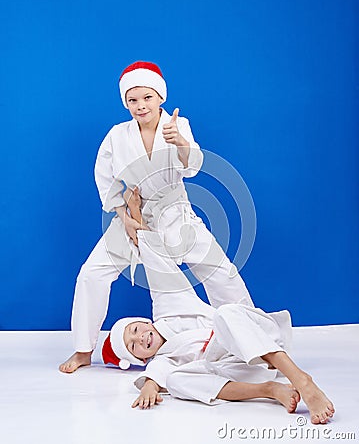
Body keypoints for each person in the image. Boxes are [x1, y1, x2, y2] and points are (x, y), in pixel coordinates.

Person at [60, 61, 254, 373]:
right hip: (134, 214)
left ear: (160, 97)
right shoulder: (117, 136)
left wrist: (181, 143)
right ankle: (83, 350)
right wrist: (124, 216)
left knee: (221, 272)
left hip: (175, 213)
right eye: (132, 100)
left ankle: (253, 341)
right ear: (126, 102)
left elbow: (191, 167)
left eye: (147, 98)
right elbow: (106, 178)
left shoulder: (178, 125)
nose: (140, 106)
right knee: (91, 274)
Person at [102, 189, 335, 425]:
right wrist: (149, 387)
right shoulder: (163, 359)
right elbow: (156, 375)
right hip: (241, 369)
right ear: (141, 360)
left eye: (134, 331)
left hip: (259, 340)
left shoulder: (168, 308)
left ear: (144, 322)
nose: (140, 339)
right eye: (134, 347)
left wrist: (136, 216)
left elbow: (157, 263)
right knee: (175, 382)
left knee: (226, 312)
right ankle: (271, 390)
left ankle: (301, 380)